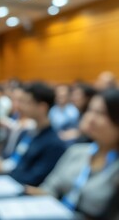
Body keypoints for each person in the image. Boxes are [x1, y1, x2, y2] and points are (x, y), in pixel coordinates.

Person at [26, 89, 119, 219]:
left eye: (101, 113)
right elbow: (50, 187)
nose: (90, 118)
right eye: (90, 111)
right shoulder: (76, 151)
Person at [0, 82, 66, 186]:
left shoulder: (53, 143)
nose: (21, 106)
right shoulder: (30, 132)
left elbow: (34, 178)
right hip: (11, 181)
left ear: (42, 107)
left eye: (28, 102)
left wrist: (8, 174)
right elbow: (17, 161)